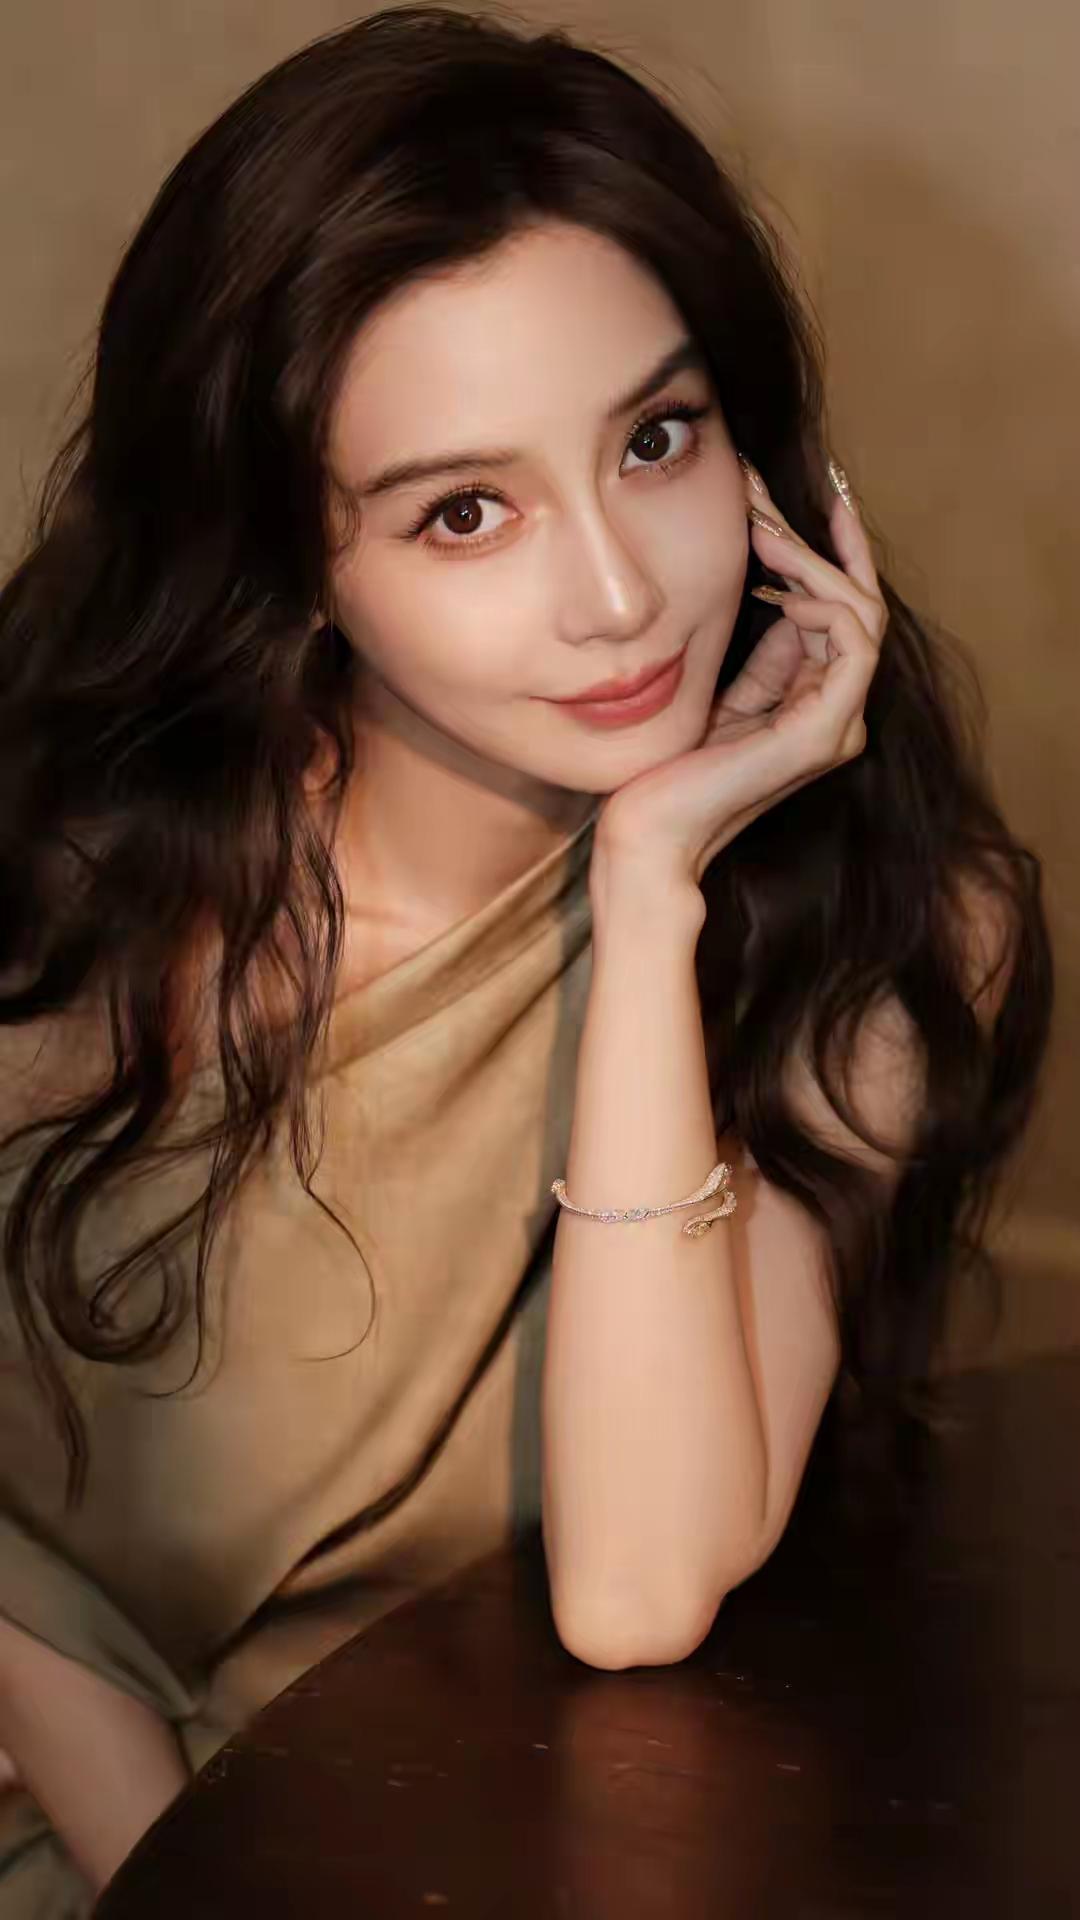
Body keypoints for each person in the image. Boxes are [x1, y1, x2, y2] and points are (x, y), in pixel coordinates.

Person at [0, 6, 1053, 1911]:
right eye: (464, 511)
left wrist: (651, 899)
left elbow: (642, 1587)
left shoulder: (889, 925)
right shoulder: (82, 900)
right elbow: (27, 1580)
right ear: (294, 562)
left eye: (657, 439)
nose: (622, 595)